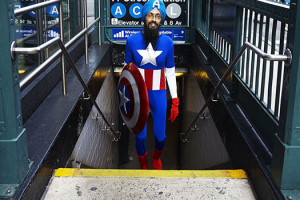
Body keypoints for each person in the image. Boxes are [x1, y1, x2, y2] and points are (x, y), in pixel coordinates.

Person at [124, 0, 179, 170]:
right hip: (138, 94)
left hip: (159, 93)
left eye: (157, 16)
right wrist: (125, 97)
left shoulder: (168, 43)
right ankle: (142, 163)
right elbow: (126, 70)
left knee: (161, 137)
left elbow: (170, 71)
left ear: (161, 19)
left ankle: (156, 157)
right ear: (144, 17)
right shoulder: (132, 41)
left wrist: (175, 100)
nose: (153, 19)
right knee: (140, 137)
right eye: (150, 15)